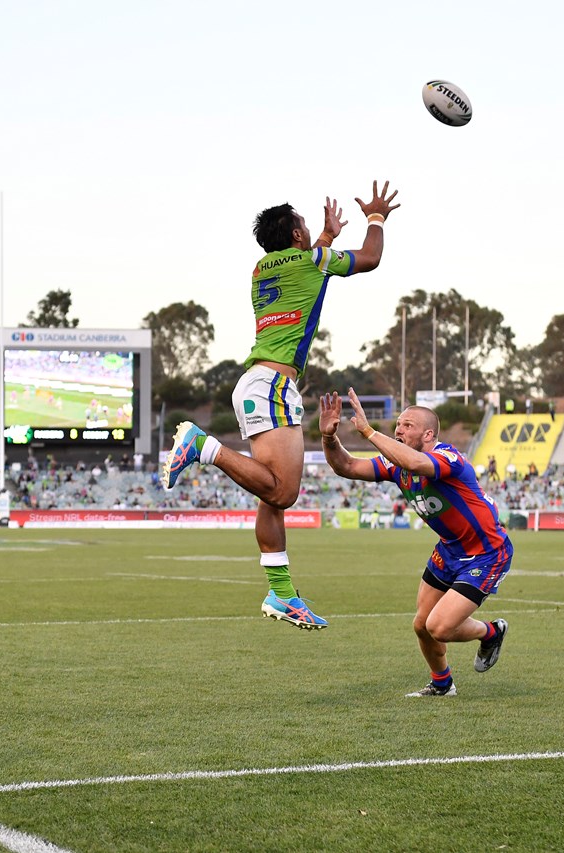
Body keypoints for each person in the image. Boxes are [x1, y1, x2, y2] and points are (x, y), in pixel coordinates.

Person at [162, 180, 401, 630]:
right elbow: (369, 258)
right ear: (295, 234)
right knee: (283, 492)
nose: (310, 230)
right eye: (305, 225)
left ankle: (282, 594)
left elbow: (306, 268)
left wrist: (325, 236)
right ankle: (203, 446)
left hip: (255, 382)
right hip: (273, 384)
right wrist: (376, 217)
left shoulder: (261, 269)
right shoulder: (312, 261)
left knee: (270, 497)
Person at [319, 388, 512, 696]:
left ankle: (491, 632)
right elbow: (348, 466)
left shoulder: (449, 458)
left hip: (486, 553)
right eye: (398, 424)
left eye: (407, 425)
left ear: (428, 434)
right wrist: (329, 438)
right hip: (449, 549)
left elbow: (418, 464)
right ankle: (442, 685)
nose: (399, 429)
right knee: (422, 625)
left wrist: (369, 431)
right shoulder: (396, 464)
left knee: (439, 627)